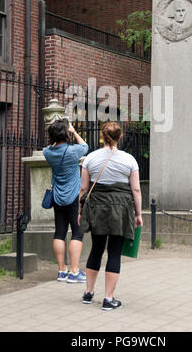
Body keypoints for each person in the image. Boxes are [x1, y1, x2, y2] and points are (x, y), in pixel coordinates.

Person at [78, 121, 143, 311]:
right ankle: (108, 298)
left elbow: (83, 188)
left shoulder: (90, 158)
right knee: (114, 251)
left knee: (96, 249)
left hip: (97, 207)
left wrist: (81, 212)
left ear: (102, 136)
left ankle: (88, 293)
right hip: (121, 208)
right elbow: (136, 189)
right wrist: (138, 214)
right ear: (120, 137)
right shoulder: (129, 160)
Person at [43, 119, 88, 283]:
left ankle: (62, 271)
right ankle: (74, 272)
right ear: (66, 133)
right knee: (77, 232)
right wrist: (74, 132)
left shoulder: (48, 152)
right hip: (74, 198)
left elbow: (49, 147)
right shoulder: (72, 151)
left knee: (59, 232)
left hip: (57, 197)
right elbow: (85, 146)